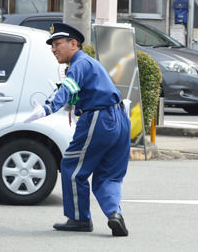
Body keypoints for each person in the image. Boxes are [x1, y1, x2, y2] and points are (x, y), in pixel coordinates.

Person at [24, 22, 131, 236]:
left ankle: (79, 218)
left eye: (57, 43)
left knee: (72, 167)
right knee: (108, 176)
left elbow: (69, 87)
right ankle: (114, 214)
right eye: (51, 45)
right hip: (119, 119)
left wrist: (48, 107)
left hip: (99, 118)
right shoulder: (89, 63)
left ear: (74, 44)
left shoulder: (78, 64)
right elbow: (76, 92)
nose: (53, 49)